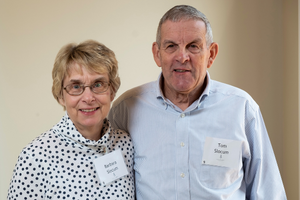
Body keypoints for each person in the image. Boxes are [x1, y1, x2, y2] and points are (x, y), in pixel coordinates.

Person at [108, 5, 287, 200]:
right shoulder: (125, 110)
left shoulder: (242, 109)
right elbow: (111, 186)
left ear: (211, 54)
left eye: (193, 46)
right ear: (157, 53)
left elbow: (269, 193)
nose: (182, 57)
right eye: (171, 46)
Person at [7, 40, 135, 200]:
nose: (88, 97)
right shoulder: (35, 157)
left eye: (98, 84)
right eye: (76, 87)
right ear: (61, 95)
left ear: (112, 91)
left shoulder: (126, 144)